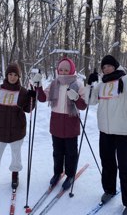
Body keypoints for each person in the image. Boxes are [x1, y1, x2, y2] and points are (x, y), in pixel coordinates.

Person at [85, 55, 127, 215]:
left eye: (108, 66)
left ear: (115, 66)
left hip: (121, 131)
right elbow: (90, 101)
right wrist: (89, 84)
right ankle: (109, 190)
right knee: (107, 163)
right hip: (104, 131)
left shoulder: (126, 80)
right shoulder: (102, 84)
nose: (106, 69)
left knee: (124, 167)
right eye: (103, 67)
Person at [0, 63, 36, 193]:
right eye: (10, 74)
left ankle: (15, 175)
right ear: (6, 75)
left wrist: (33, 98)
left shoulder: (23, 92)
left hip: (17, 130)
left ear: (19, 77)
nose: (13, 77)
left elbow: (28, 109)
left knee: (16, 155)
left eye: (15, 75)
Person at [32, 57, 87, 190]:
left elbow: (83, 105)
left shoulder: (78, 84)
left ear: (71, 70)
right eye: (61, 69)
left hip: (71, 121)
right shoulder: (54, 83)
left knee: (71, 152)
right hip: (56, 122)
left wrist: (76, 98)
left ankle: (70, 174)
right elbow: (42, 98)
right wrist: (38, 85)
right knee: (57, 151)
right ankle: (57, 173)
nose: (63, 72)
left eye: (66, 70)